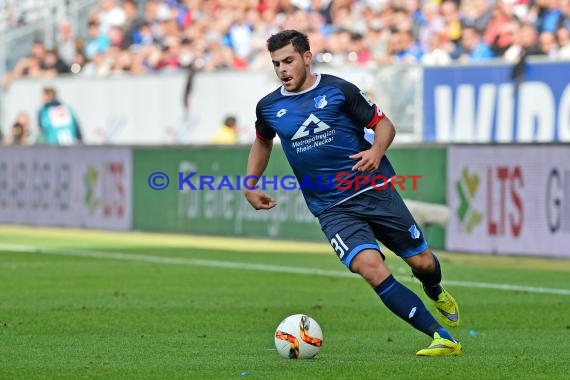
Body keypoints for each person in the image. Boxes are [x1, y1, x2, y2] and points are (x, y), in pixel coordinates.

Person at [243, 30, 462, 357]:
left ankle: (434, 289)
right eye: (276, 64)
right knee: (370, 268)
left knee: (423, 262)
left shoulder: (339, 90)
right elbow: (262, 141)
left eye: (288, 60)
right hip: (331, 209)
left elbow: (384, 124)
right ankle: (442, 337)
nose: (283, 69)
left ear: (306, 57)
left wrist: (376, 151)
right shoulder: (270, 107)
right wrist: (250, 183)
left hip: (373, 190)